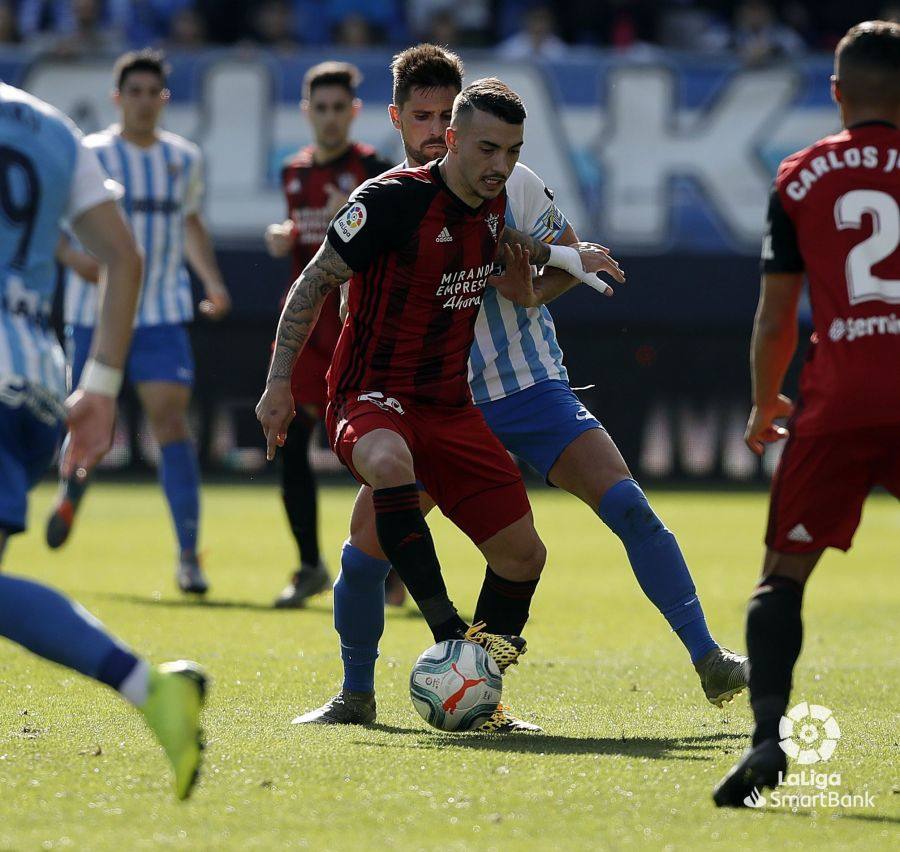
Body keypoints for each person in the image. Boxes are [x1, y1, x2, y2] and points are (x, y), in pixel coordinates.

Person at [295, 44, 748, 731]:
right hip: (434, 403)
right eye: (422, 115)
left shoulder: (512, 178)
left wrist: (533, 290)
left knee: (626, 504)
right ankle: (355, 693)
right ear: (400, 120)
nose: (434, 126)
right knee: (363, 557)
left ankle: (706, 655)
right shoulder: (392, 203)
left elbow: (572, 256)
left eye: (446, 113)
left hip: (529, 383)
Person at [258, 76, 616, 731]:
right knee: (389, 466)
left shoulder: (497, 201)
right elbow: (313, 282)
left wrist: (568, 254)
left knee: (523, 557)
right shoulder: (389, 201)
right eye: (487, 149)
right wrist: (280, 383)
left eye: (512, 151)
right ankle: (428, 641)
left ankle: (478, 695)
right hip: (369, 396)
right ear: (448, 140)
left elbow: (525, 249)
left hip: (450, 408)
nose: (500, 165)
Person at [0, 82, 205, 800]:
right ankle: (149, 689)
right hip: (31, 380)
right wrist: (103, 384)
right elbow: (124, 255)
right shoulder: (55, 128)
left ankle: (148, 688)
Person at [714, 20, 900, 806]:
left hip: (838, 396)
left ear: (836, 93)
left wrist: (765, 401)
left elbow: (774, 316)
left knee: (781, 577)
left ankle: (766, 740)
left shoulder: (800, 176)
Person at [47, 49, 231, 596]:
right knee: (85, 427)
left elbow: (191, 223)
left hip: (161, 311)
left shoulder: (184, 158)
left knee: (171, 421)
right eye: (135, 92)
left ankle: (188, 557)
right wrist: (73, 258)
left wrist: (213, 281)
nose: (145, 102)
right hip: (94, 314)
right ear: (117, 98)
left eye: (154, 93)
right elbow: (53, 220)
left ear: (165, 99)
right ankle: (72, 494)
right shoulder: (88, 152)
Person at [264, 61, 392, 608]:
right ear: (307, 111)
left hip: (355, 327)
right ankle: (309, 565)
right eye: (322, 108)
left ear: (355, 112)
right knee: (287, 442)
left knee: (374, 449)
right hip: (306, 327)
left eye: (341, 108)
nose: (332, 117)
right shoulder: (294, 172)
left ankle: (388, 566)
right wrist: (286, 237)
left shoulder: (375, 170)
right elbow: (307, 247)